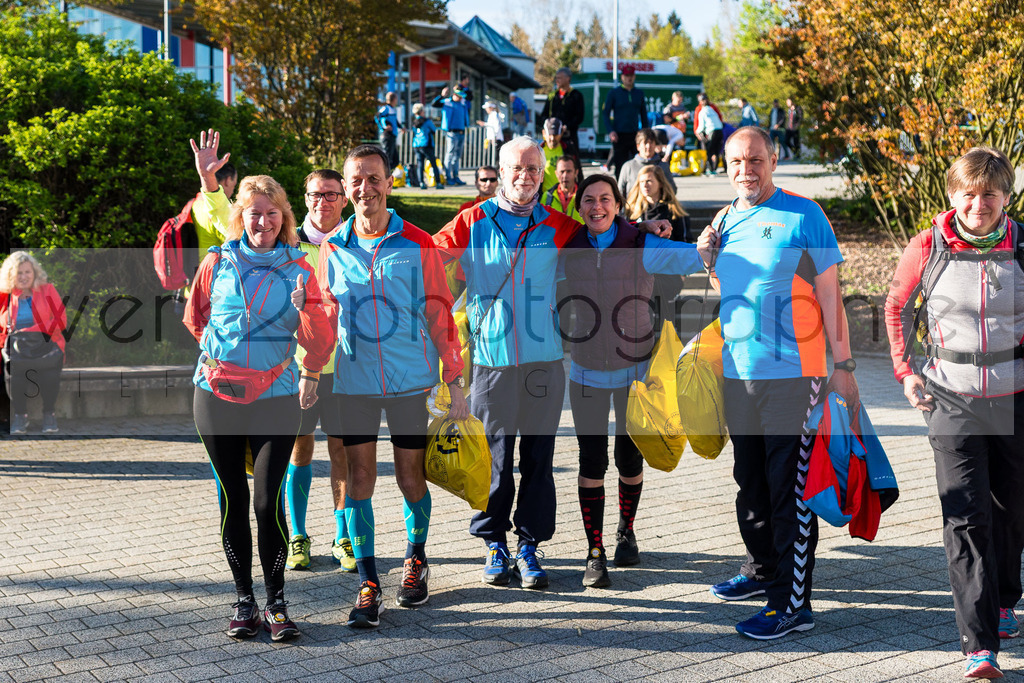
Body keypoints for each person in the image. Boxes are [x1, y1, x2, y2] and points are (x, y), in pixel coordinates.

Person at [433, 136, 671, 590]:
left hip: (544, 360)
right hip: (491, 360)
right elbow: (425, 258)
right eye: (517, 169)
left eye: (533, 170)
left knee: (539, 459)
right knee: (496, 459)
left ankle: (528, 544)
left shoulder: (559, 225)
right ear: (500, 173)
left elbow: (607, 231)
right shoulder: (471, 222)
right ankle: (493, 543)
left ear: (543, 175)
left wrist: (646, 229)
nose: (525, 177)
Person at [696, 126, 858, 640]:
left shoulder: (804, 215)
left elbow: (831, 294)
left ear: (774, 159)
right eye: (737, 161)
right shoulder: (723, 218)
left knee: (790, 487)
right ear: (726, 166)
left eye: (756, 159)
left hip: (796, 372)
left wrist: (845, 367)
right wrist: (707, 260)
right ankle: (763, 568)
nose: (746, 169)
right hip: (739, 372)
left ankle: (793, 605)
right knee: (751, 481)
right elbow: (729, 291)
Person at [185, 131, 334, 642]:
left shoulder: (300, 267)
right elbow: (195, 318)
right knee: (232, 498)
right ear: (241, 216)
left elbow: (322, 339)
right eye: (254, 212)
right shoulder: (217, 263)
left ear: (284, 218)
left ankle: (276, 603)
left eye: (272, 213)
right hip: (216, 394)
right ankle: (243, 601)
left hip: (276, 396)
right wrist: (223, 357)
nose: (263, 221)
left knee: (267, 503)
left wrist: (304, 316)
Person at [884, 146, 1024, 679]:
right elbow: (896, 307)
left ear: (1006, 196)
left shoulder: (1023, 243)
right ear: (952, 195)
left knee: (1012, 509)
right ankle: (979, 644)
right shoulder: (928, 245)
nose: (978, 204)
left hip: (1016, 394)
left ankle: (1006, 596)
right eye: (968, 193)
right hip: (950, 394)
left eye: (989, 194)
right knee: (966, 516)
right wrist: (905, 372)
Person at [319, 144, 468, 628]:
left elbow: (440, 312)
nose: (365, 188)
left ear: (389, 181)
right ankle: (367, 583)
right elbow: (322, 318)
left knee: (409, 478)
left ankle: (415, 560)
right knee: (359, 479)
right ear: (345, 188)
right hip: (354, 382)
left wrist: (455, 377)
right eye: (356, 180)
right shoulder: (332, 247)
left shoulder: (418, 242)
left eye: (374, 178)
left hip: (410, 382)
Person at [559, 174, 704, 587]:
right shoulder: (568, 246)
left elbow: (694, 256)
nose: (597, 206)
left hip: (635, 372)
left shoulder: (642, 244)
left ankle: (626, 530)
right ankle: (595, 550)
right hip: (585, 370)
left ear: (619, 205)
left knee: (628, 458)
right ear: (579, 206)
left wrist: (722, 237)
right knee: (591, 461)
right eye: (589, 200)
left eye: (605, 199)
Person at [283, 169, 354, 574]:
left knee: (341, 450)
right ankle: (298, 534)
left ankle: (342, 535)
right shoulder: (288, 245)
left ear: (344, 199)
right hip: (298, 365)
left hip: (345, 366)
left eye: (331, 194)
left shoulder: (353, 241)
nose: (322, 201)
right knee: (300, 447)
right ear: (304, 197)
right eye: (315, 194)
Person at [1, 252, 67, 435]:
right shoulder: (5, 296)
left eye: (27, 272)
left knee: (49, 373)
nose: (23, 277)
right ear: (10, 275)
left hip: (45, 345)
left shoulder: (47, 290)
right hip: (16, 349)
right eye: (18, 273)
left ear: (34, 273)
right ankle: (20, 417)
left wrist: (29, 331)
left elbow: (60, 320)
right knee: (13, 374)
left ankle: (49, 414)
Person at [626, 165, 692, 328]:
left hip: (667, 277)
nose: (645, 185)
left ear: (660, 183)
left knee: (667, 325)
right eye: (641, 182)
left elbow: (684, 243)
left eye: (649, 181)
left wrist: (681, 273)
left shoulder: (675, 212)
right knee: (642, 325)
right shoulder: (630, 213)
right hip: (638, 278)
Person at [602, 65, 649, 179]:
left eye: (631, 75)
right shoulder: (614, 93)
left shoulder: (639, 93)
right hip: (619, 134)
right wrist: (611, 131)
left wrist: (645, 133)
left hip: (635, 134)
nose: (629, 78)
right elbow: (605, 113)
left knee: (639, 163)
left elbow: (643, 114)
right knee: (620, 166)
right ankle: (620, 192)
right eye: (626, 75)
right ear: (622, 77)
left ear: (634, 76)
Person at [541, 68, 585, 175]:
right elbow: (544, 115)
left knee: (573, 162)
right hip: (552, 138)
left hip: (569, 137)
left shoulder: (576, 95)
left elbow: (579, 117)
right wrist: (548, 127)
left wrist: (566, 127)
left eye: (560, 78)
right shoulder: (552, 96)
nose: (557, 80)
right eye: (556, 78)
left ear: (568, 78)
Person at [617, 128, 673, 199]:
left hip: (657, 208)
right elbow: (620, 192)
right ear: (638, 146)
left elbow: (672, 190)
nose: (648, 146)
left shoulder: (662, 166)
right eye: (645, 143)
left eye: (651, 142)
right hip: (633, 208)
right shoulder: (628, 166)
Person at [431, 86, 470, 186]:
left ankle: (456, 176)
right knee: (450, 154)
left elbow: (470, 97)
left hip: (461, 131)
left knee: (457, 156)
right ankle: (449, 177)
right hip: (452, 133)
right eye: (459, 96)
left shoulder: (462, 103)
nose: (461, 98)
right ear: (454, 95)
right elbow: (434, 104)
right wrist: (442, 95)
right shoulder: (447, 102)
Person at [411, 102, 443, 190]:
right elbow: (434, 130)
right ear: (421, 111)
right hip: (426, 145)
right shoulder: (427, 121)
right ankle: (438, 183)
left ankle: (421, 183)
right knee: (433, 163)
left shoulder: (414, 122)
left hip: (416, 145)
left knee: (420, 164)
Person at [541, 156, 583, 223]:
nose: (565, 175)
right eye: (562, 172)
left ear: (576, 173)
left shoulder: (585, 196)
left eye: (569, 171)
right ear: (556, 174)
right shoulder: (547, 197)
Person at [695, 93, 725, 176]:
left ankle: (710, 170)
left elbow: (701, 126)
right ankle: (714, 169)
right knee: (716, 151)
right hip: (720, 131)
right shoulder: (712, 110)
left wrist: (698, 132)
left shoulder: (702, 111)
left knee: (709, 151)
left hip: (712, 132)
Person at [375, 91, 403, 172]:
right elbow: (377, 116)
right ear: (394, 99)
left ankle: (386, 176)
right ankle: (382, 177)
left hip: (393, 135)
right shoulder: (386, 108)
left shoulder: (392, 109)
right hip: (387, 135)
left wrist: (401, 127)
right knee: (387, 159)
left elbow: (395, 121)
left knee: (395, 161)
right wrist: (383, 128)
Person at [541, 117, 566, 193]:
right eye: (549, 134)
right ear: (544, 133)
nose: (552, 138)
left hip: (565, 196)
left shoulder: (569, 150)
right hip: (545, 196)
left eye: (555, 135)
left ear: (561, 133)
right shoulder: (539, 151)